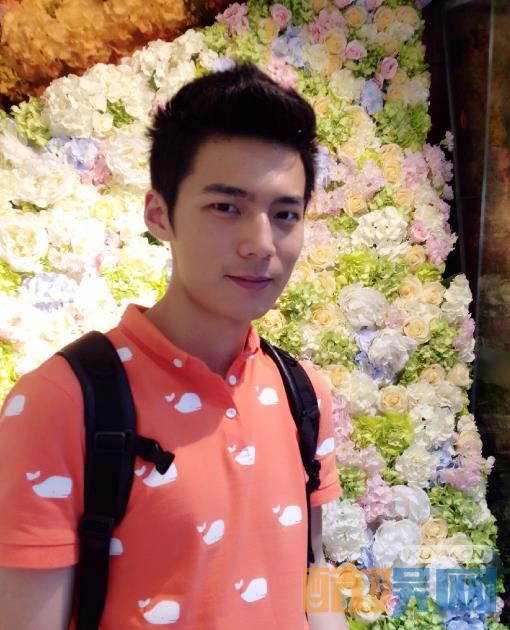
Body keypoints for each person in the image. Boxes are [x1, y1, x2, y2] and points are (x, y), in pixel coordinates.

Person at [0, 62, 347, 629]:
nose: (261, 244)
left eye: (285, 214)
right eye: (226, 207)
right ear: (159, 215)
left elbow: (316, 567)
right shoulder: (59, 402)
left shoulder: (303, 392)